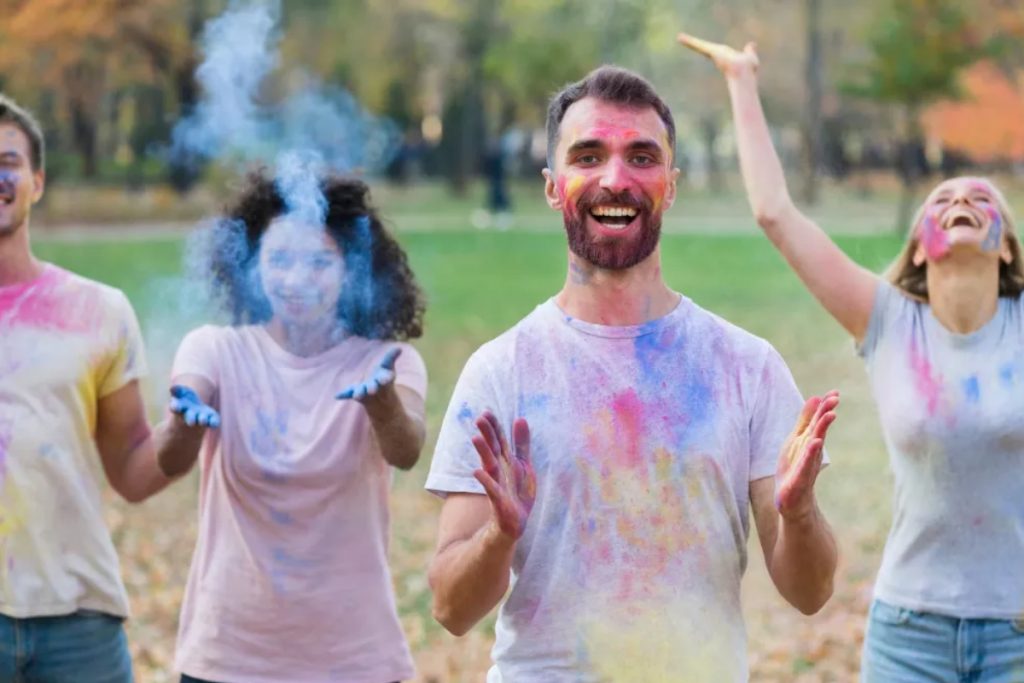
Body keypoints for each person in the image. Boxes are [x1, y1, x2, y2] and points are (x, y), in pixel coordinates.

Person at [425, 65, 840, 682]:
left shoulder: (746, 366)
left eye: (641, 158)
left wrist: (800, 513)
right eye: (588, 156)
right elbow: (451, 609)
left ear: (670, 186)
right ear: (551, 184)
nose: (614, 180)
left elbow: (809, 594)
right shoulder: (500, 371)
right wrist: (499, 536)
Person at [679, 32, 1024, 682]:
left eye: (981, 199)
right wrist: (743, 84)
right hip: (909, 633)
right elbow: (776, 214)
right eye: (941, 200)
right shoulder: (888, 319)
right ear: (920, 248)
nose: (959, 203)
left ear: (1006, 246)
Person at [157, 170, 428, 683]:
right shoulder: (214, 348)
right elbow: (169, 459)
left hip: (355, 660)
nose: (296, 279)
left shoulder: (387, 363)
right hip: (228, 658)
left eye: (319, 261)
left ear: (351, 267)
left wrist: (383, 403)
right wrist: (184, 421)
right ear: (253, 266)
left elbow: (407, 449)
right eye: (279, 259)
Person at [0, 94, 172, 681]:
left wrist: (188, 434)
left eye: (8, 161)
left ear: (37, 181)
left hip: (78, 618)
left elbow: (132, 468)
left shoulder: (97, 310)